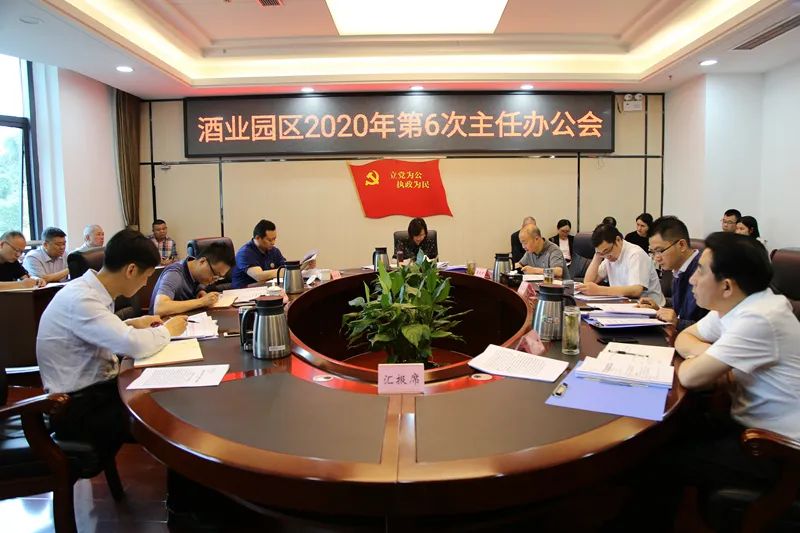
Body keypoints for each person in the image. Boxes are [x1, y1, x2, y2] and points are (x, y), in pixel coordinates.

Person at [36, 229, 188, 464]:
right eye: (147, 276)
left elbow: (89, 334)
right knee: (172, 418)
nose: (145, 283)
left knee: (172, 396)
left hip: (94, 394)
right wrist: (168, 330)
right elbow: (131, 344)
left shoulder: (88, 291)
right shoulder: (82, 299)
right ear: (131, 270)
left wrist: (129, 324)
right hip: (77, 408)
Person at [671, 232, 800, 487]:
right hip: (747, 425)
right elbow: (684, 337)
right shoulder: (737, 304)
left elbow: (689, 376)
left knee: (663, 456)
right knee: (677, 427)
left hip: (776, 449)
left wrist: (711, 362)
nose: (693, 279)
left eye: (700, 271)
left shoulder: (760, 317)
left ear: (727, 286)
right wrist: (714, 357)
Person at [638, 216, 708, 330]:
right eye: (653, 252)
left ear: (681, 245)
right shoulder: (678, 270)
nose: (656, 258)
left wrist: (678, 322)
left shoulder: (705, 271)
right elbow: (681, 308)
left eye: (660, 251)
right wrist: (659, 309)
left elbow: (715, 330)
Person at [581, 223, 665, 305]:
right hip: (624, 304)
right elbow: (589, 283)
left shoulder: (635, 254)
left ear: (618, 240)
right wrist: (598, 255)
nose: (607, 256)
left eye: (607, 250)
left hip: (650, 308)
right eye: (602, 253)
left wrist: (599, 290)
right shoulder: (607, 256)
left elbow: (636, 290)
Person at [150, 242, 235, 315]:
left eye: (219, 278)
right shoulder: (174, 274)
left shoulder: (197, 275)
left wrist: (200, 292)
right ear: (202, 262)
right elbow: (160, 308)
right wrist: (202, 302)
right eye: (215, 274)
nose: (214, 280)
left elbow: (196, 289)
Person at [232, 219, 314, 288]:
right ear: (257, 238)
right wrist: (281, 272)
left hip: (266, 290)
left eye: (274, 239)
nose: (273, 243)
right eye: (269, 240)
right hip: (244, 292)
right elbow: (259, 276)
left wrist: (304, 267)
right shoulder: (244, 253)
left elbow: (286, 269)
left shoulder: (274, 251)